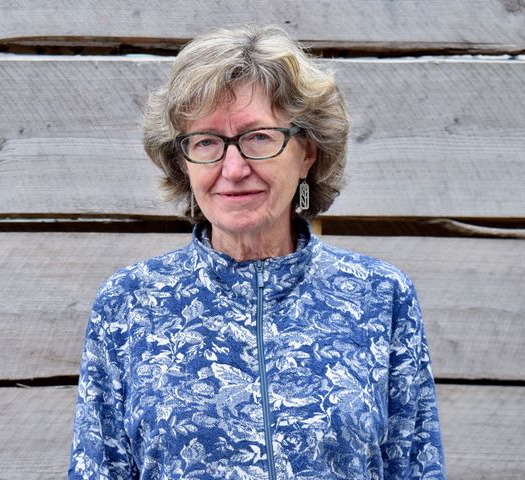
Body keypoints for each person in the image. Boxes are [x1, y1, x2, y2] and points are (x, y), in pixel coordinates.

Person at [68, 24, 445, 480]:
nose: (233, 168)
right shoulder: (129, 303)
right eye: (206, 141)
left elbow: (415, 468)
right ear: (183, 162)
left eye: (259, 137)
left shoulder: (381, 297)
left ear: (307, 151)